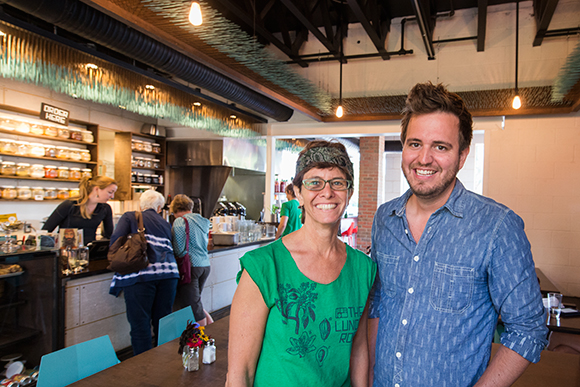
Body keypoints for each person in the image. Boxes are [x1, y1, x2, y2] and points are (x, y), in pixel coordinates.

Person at [365, 82, 548, 386]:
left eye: (440, 146)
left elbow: (528, 330)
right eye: (414, 144)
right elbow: (379, 303)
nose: (424, 159)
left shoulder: (497, 227)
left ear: (462, 155)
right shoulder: (385, 218)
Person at [226, 140, 376, 387]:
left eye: (337, 183)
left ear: (349, 193)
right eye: (314, 182)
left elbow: (358, 349)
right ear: (298, 193)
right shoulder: (265, 266)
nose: (327, 192)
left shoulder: (363, 269)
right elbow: (240, 373)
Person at [109, 189, 179, 355]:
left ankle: (144, 367)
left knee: (140, 324)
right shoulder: (165, 222)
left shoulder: (129, 216)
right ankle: (165, 362)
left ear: (140, 205)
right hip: (169, 274)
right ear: (160, 207)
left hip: (141, 275)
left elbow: (115, 241)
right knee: (163, 322)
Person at [170, 194, 212, 326]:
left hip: (190, 267)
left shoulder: (180, 222)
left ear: (175, 208)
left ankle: (203, 336)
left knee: (193, 305)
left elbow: (179, 248)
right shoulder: (203, 221)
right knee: (195, 300)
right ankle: (210, 325)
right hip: (205, 265)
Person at [42, 175, 117, 243]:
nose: (112, 196)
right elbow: (45, 231)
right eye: (110, 192)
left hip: (90, 251)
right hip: (67, 251)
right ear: (96, 189)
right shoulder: (70, 205)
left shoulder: (105, 208)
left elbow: (109, 236)